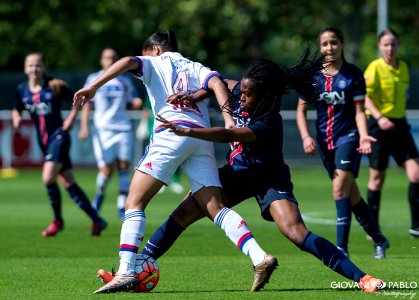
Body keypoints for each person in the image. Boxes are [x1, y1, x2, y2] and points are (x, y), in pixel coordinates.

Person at [99, 53, 385, 292]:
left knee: (296, 233)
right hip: (238, 173)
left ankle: (362, 278)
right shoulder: (242, 89)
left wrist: (188, 130)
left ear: (265, 95)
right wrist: (194, 94)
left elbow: (227, 134)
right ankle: (134, 268)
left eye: (248, 94)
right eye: (243, 91)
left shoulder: (268, 122)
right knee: (184, 212)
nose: (242, 97)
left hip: (269, 179)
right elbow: (217, 83)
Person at [73, 30, 277, 294]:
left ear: (156, 50)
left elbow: (125, 61)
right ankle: (259, 257)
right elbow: (218, 84)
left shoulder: (155, 61)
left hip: (172, 132)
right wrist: (229, 122)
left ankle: (125, 272)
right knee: (215, 207)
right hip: (201, 138)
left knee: (133, 202)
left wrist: (93, 86)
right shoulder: (195, 66)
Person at [296, 27, 389, 259]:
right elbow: (301, 109)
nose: (330, 47)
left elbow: (359, 111)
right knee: (352, 194)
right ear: (320, 47)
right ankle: (379, 239)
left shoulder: (354, 75)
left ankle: (341, 249)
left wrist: (364, 134)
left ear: (342, 44)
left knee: (339, 189)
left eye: (334, 42)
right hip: (324, 142)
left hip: (348, 138)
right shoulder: (313, 77)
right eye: (325, 44)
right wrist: (306, 136)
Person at [12, 52, 107, 237]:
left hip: (59, 137)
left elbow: (82, 99)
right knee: (68, 181)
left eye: (38, 65)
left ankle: (58, 221)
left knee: (48, 178)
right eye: (31, 65)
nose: (34, 69)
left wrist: (72, 117)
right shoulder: (22, 89)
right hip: (44, 142)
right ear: (25, 68)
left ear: (43, 67)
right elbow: (17, 108)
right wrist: (16, 118)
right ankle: (97, 220)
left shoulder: (55, 85)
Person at [364, 29, 419, 238]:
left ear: (398, 45)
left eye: (393, 44)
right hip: (378, 125)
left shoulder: (403, 67)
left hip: (399, 125)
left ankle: (416, 225)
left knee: (416, 173)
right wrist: (379, 117)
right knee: (377, 177)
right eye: (386, 44)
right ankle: (373, 227)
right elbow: (365, 97)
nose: (390, 48)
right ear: (379, 46)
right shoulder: (374, 68)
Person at [79, 47, 143, 219]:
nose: (110, 60)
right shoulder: (93, 79)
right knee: (106, 170)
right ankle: (99, 195)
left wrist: (137, 102)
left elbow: (134, 99)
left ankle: (122, 206)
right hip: (103, 129)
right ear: (101, 60)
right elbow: (86, 104)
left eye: (113, 58)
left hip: (123, 128)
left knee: (124, 166)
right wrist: (84, 127)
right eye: (107, 57)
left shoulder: (124, 81)